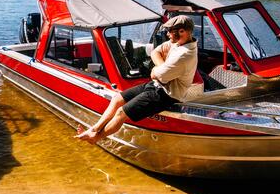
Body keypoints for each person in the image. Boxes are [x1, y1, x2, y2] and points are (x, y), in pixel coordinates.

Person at [75, 15, 198, 144]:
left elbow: (155, 74)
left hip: (167, 95)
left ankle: (96, 138)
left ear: (183, 31)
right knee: (118, 98)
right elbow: (155, 52)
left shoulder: (185, 55)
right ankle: (94, 129)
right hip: (158, 85)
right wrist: (162, 67)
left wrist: (157, 71)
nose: (167, 35)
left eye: (170, 31)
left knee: (121, 113)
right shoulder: (177, 43)